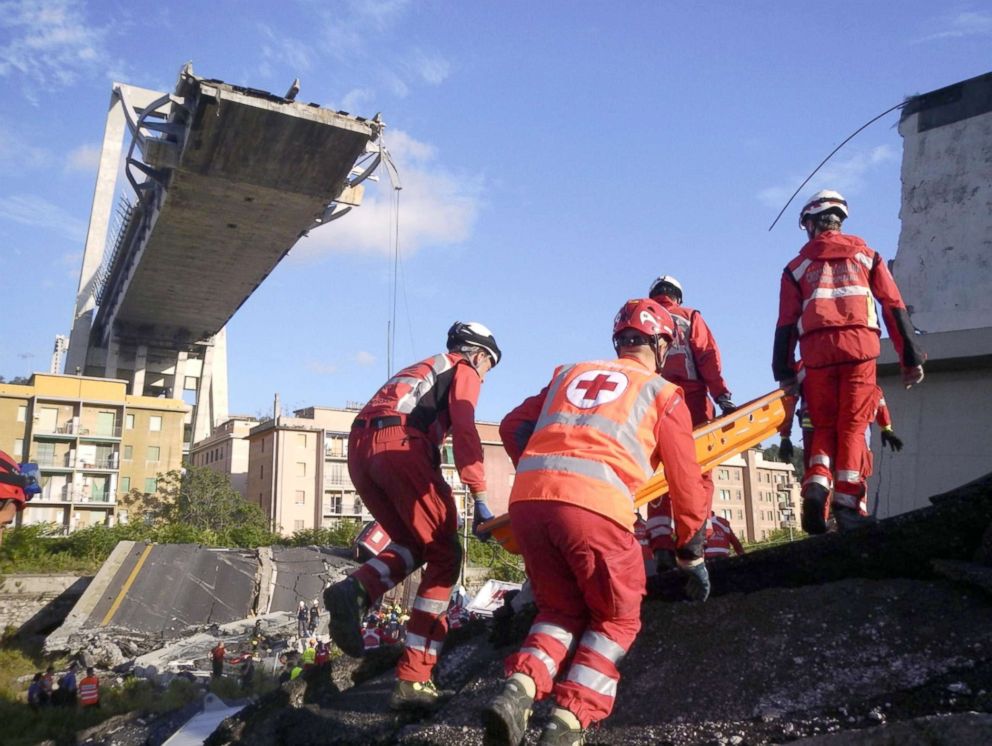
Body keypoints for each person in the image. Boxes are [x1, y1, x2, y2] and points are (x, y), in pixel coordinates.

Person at [482, 299, 710, 745]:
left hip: (529, 502)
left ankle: (518, 690)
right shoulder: (663, 393)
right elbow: (686, 484)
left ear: (619, 340)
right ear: (662, 344)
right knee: (616, 619)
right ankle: (567, 723)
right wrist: (691, 553)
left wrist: (543, 471)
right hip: (594, 509)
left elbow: (512, 426)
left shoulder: (568, 373)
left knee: (560, 610)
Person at [324, 321, 501, 711]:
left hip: (360, 448)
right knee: (445, 554)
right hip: (401, 447)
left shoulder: (420, 368)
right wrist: (480, 495)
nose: (486, 375)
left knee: (412, 542)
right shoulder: (464, 367)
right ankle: (415, 677)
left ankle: (355, 590)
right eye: (490, 365)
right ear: (478, 353)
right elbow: (466, 428)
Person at [773, 190, 925, 533]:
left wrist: (783, 370)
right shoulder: (868, 257)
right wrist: (909, 357)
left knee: (823, 427)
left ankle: (816, 484)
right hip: (860, 352)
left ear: (812, 224)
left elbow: (785, 322)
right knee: (853, 428)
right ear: (839, 220)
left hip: (817, 356)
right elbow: (893, 306)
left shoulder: (796, 267)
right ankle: (846, 503)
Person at [645, 275, 735, 556]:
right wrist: (722, 396)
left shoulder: (642, 319)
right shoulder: (689, 317)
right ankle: (697, 533)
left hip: (653, 400)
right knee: (699, 468)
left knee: (656, 471)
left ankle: (660, 541)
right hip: (692, 401)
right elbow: (708, 356)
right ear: (678, 296)